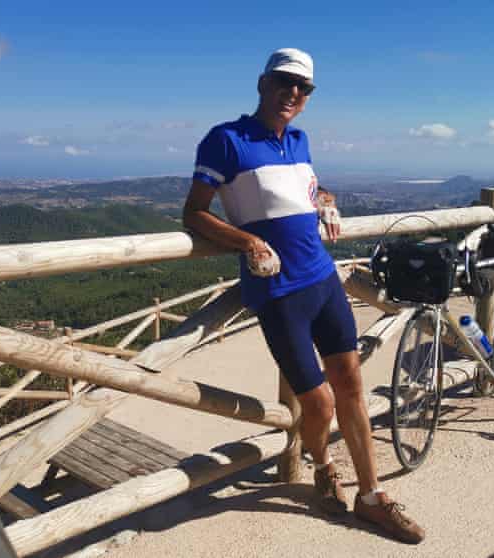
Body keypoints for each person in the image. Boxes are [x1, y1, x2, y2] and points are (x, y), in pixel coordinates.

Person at [182, 48, 426, 545]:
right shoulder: (225, 140)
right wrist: (247, 241)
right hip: (277, 291)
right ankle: (324, 466)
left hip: (322, 281)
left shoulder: (299, 139)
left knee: (352, 387)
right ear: (262, 82)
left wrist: (327, 200)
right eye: (284, 82)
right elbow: (194, 214)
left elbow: (302, 191)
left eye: (304, 87)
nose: (293, 92)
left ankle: (373, 497)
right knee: (318, 405)